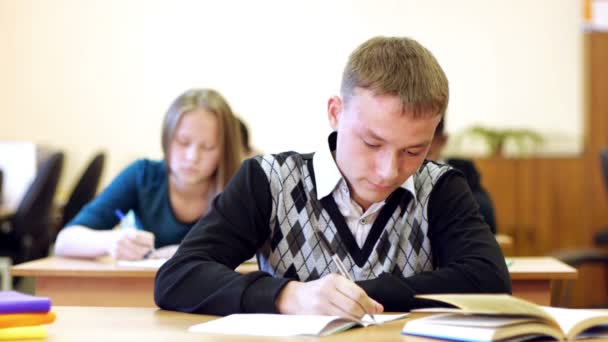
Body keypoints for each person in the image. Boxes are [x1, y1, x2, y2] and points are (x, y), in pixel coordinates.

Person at [154, 37, 510, 318]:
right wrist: (287, 295)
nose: (389, 170)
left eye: (413, 151)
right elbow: (178, 277)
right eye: (372, 143)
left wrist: (362, 293)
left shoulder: (440, 187)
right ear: (336, 113)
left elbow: (489, 282)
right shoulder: (268, 181)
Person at [54, 88, 244, 260]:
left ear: (224, 151)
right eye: (183, 142)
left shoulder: (240, 185)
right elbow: (64, 241)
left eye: (208, 147)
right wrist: (111, 241)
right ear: (167, 138)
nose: (192, 157)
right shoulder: (143, 175)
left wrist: (186, 252)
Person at [427, 119, 498, 233]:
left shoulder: (464, 171)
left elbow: (485, 217)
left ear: (443, 139)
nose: (421, 162)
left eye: (427, 153)